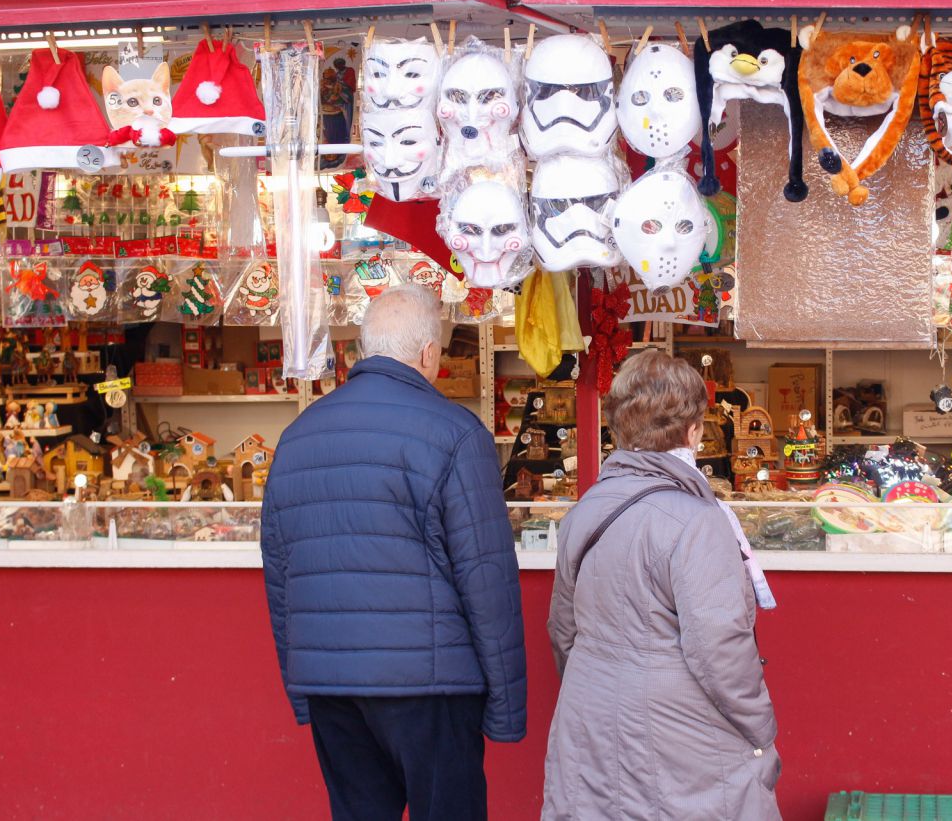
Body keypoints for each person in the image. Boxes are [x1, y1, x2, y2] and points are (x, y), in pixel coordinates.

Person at [260, 284, 526, 821]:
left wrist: (301, 682)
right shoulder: (455, 433)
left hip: (332, 683)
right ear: (429, 354)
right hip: (431, 685)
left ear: (363, 348)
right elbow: (487, 583)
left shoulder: (297, 436)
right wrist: (505, 710)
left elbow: (280, 574)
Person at [543, 350, 781, 821]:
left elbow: (562, 631)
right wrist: (761, 729)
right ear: (693, 431)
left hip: (587, 718)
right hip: (676, 735)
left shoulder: (584, 511)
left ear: (620, 428)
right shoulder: (697, 521)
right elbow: (719, 651)